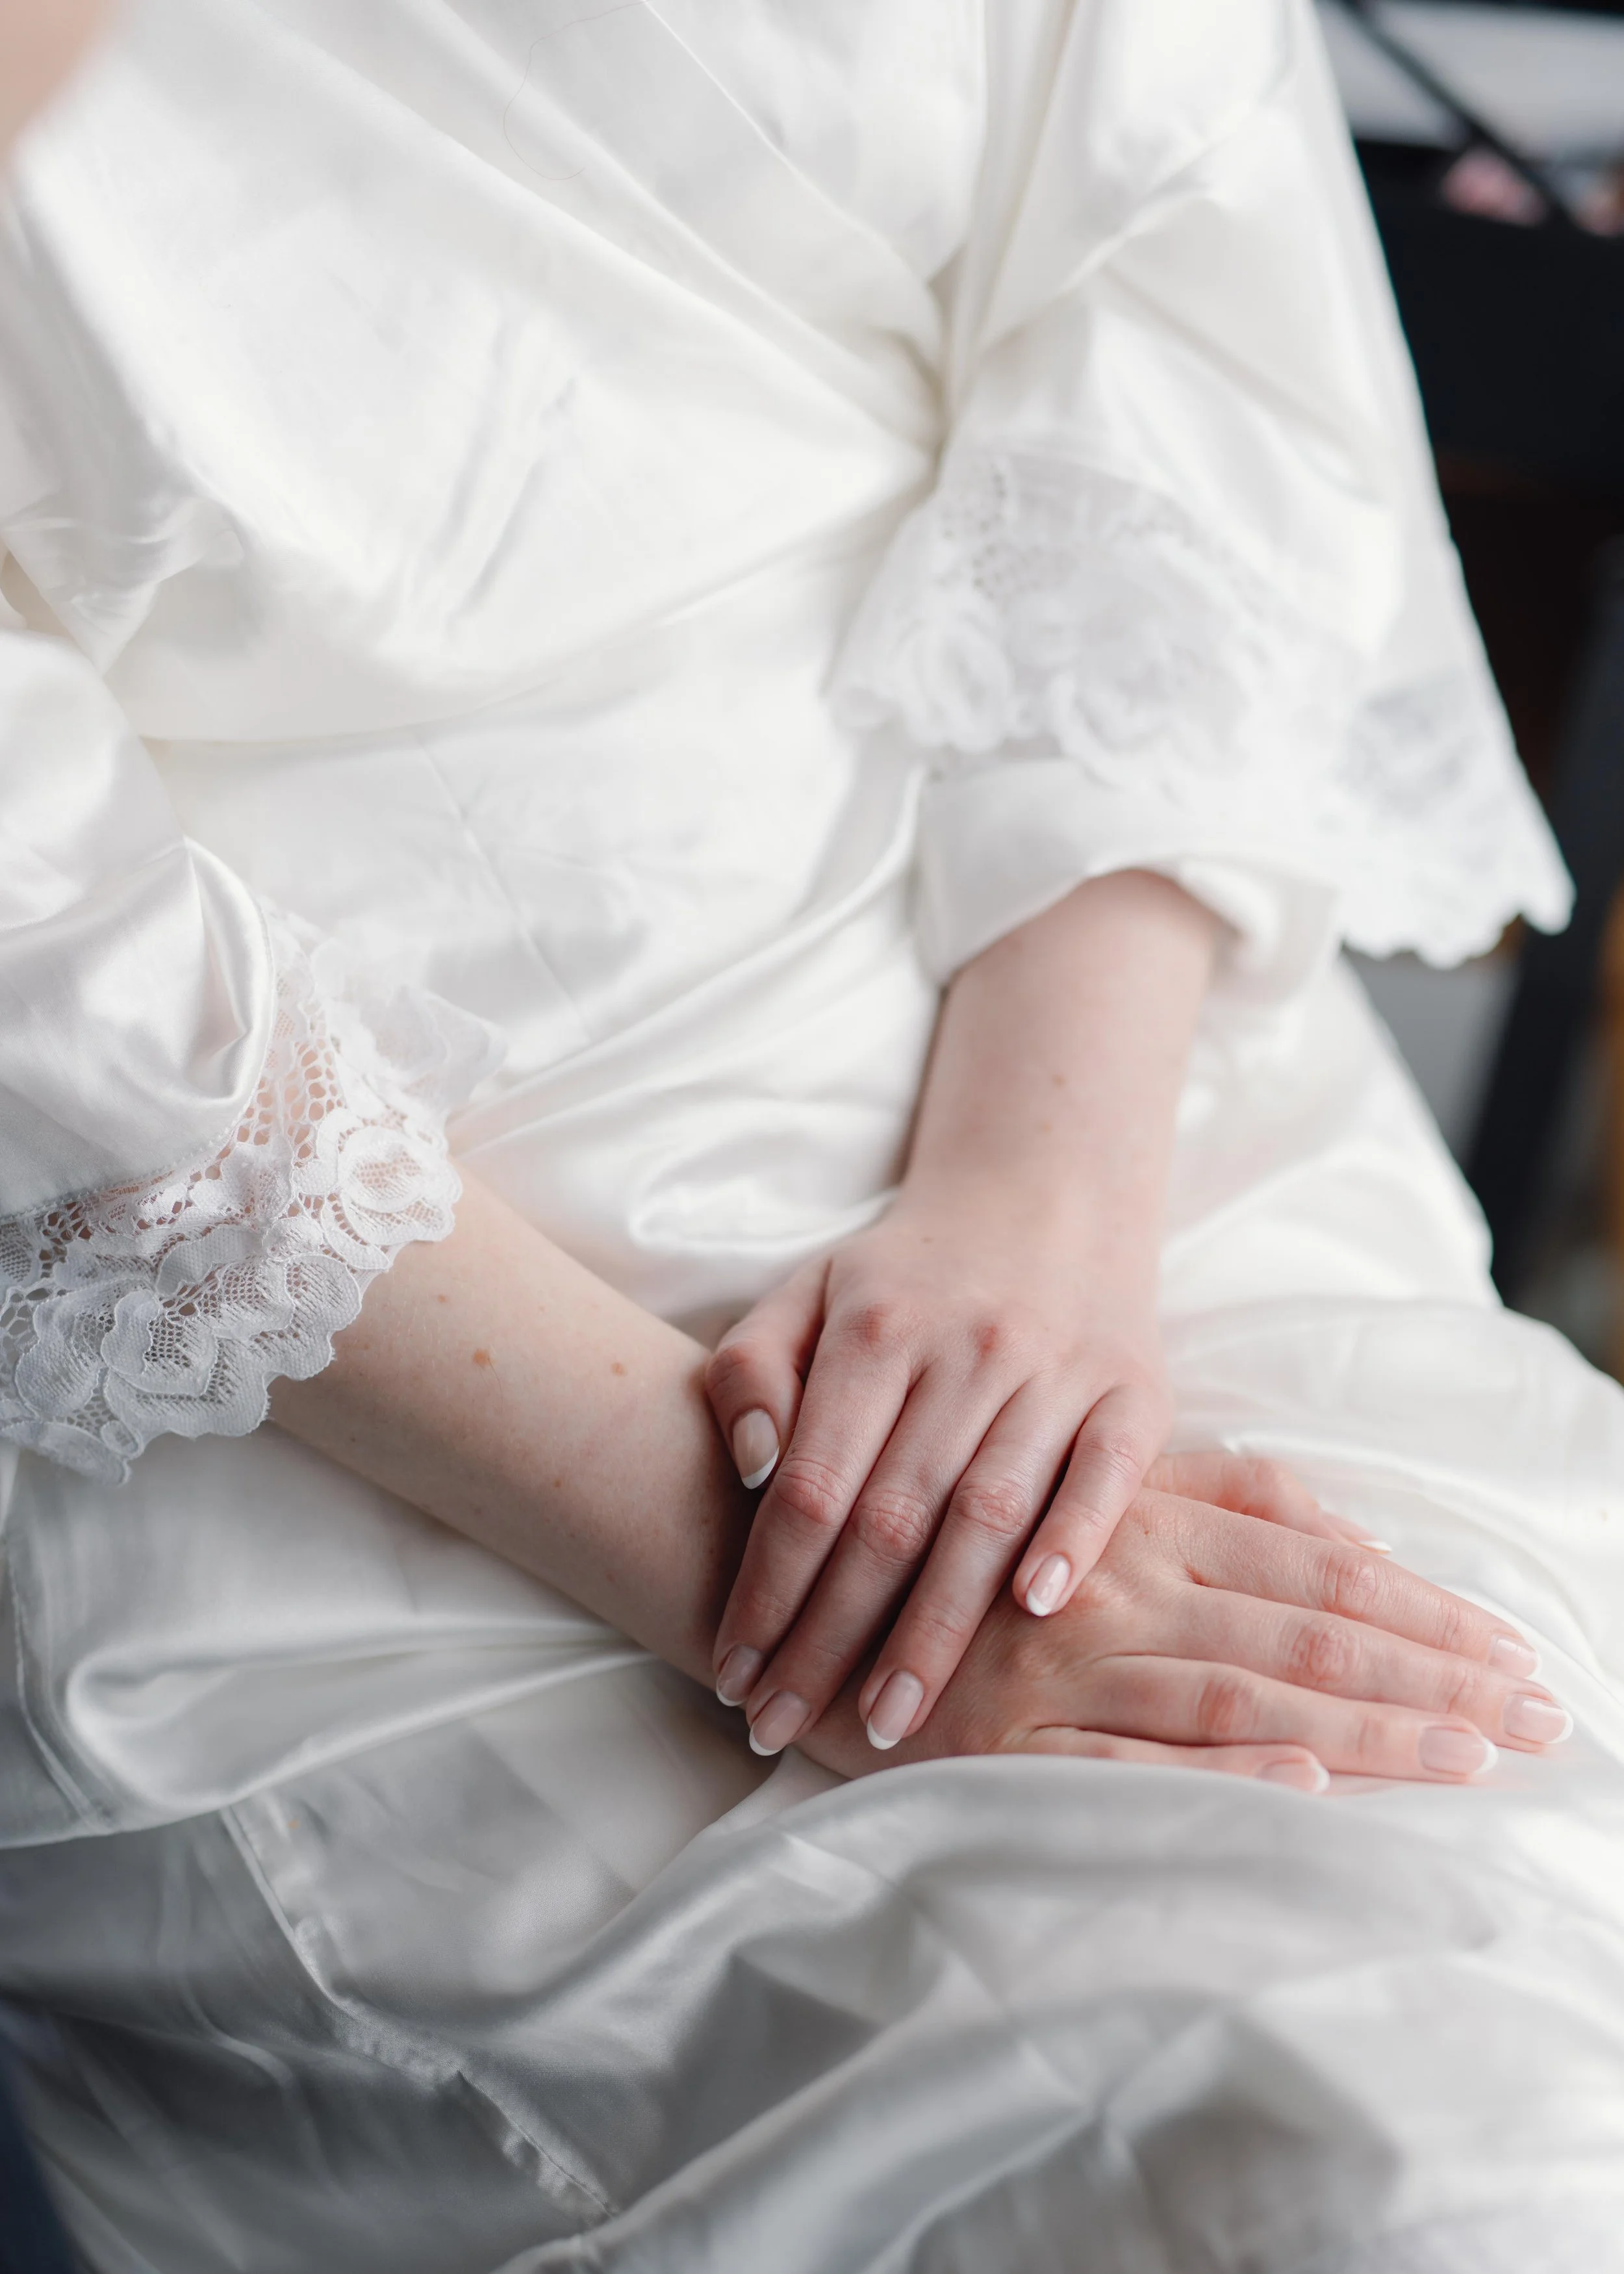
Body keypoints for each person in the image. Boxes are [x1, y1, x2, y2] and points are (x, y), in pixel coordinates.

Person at [1, 4, 1621, 2269]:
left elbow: (1173, 286)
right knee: (1383, 2161)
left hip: (1077, 1074)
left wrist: (1038, 1209)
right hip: (323, 1385)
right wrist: (825, 1587)